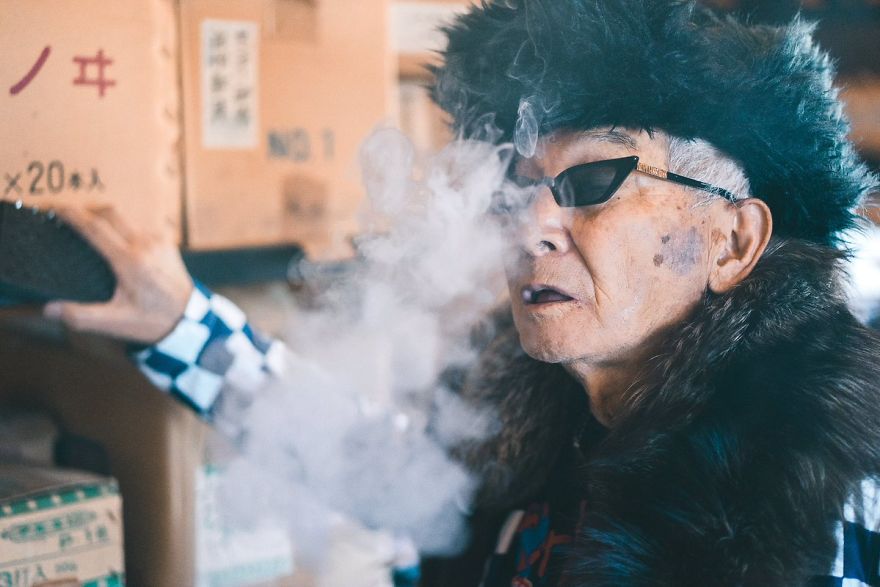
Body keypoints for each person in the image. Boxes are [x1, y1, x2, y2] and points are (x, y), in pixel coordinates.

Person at [44, 0, 880, 585]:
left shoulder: (824, 495)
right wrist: (180, 322)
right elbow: (389, 470)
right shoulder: (549, 415)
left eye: (594, 178)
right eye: (516, 186)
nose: (530, 225)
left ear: (734, 240)